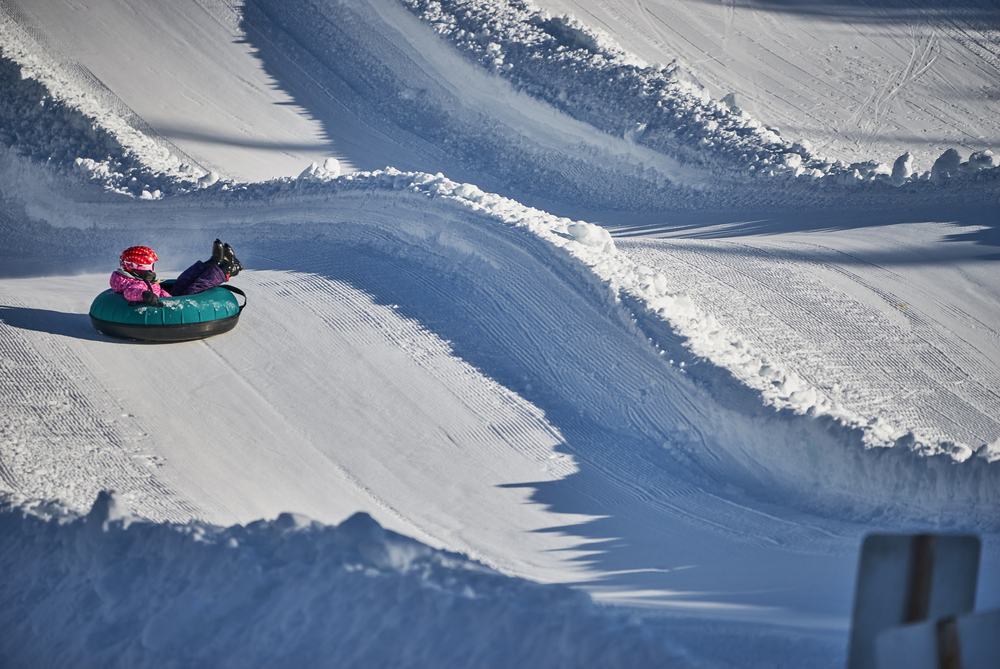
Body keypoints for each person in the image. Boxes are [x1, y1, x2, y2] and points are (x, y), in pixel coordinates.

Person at [111, 239, 242, 307]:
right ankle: (225, 270)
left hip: (168, 295)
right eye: (150, 266)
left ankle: (213, 262)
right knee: (196, 288)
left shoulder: (132, 278)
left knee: (184, 279)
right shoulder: (133, 284)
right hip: (170, 303)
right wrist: (145, 295)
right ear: (136, 268)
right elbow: (131, 292)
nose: (152, 269)